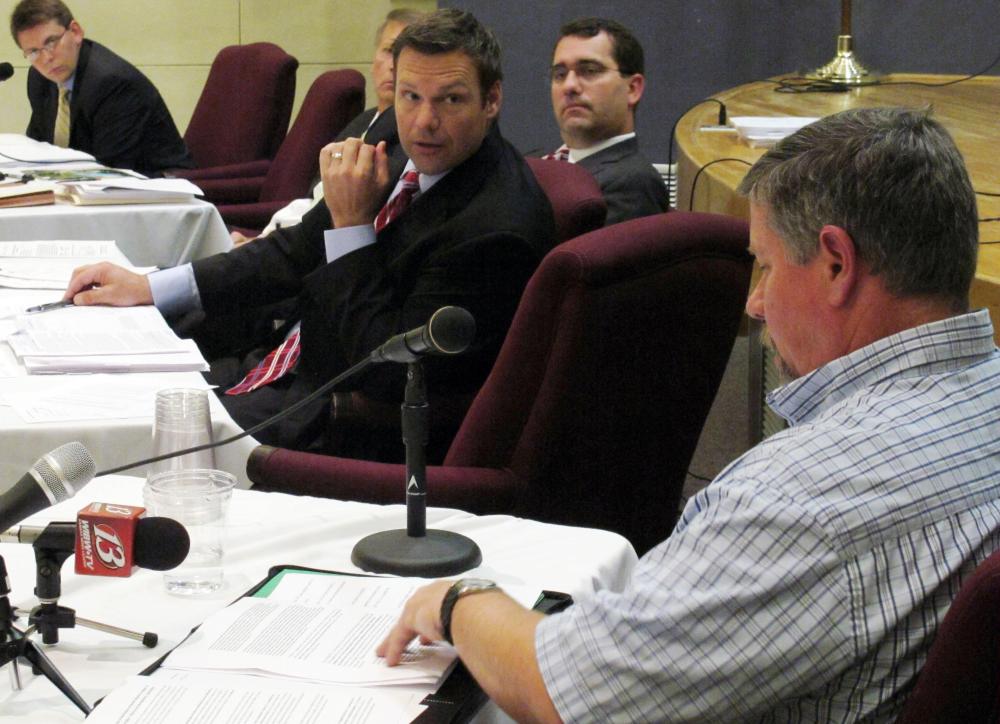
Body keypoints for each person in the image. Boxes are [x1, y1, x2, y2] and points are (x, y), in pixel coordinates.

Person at [376, 107, 1000, 721]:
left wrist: (458, 600)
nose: (755, 304)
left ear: (836, 263)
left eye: (767, 265)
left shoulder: (799, 499)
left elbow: (561, 694)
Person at [63, 9, 554, 459]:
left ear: (491, 100)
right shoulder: (402, 146)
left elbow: (389, 372)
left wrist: (353, 228)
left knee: (122, 444)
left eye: (450, 99)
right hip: (279, 368)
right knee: (95, 401)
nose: (424, 121)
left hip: (339, 420)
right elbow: (295, 250)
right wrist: (150, 287)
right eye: (411, 96)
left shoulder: (495, 229)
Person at [231, 8, 424, 245]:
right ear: (373, 59)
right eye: (388, 51)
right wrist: (262, 241)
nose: (394, 65)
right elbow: (315, 198)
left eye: (405, 55)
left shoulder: (412, 147)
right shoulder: (363, 121)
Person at [10, 0, 192, 176]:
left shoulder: (112, 82)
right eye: (33, 52)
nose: (46, 58)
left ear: (75, 32)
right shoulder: (40, 79)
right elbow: (37, 148)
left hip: (159, 184)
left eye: (51, 42)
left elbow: (109, 168)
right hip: (91, 183)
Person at [545, 17, 667, 226]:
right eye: (560, 74)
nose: (569, 85)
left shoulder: (633, 184)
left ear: (632, 89)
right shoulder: (537, 161)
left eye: (590, 71)